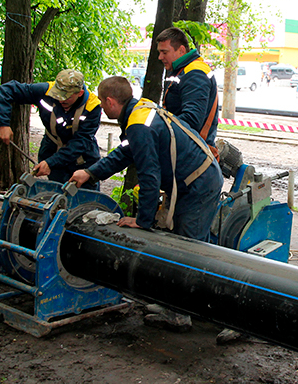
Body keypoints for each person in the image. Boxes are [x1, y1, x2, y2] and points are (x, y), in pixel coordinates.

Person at [70, 76, 223, 332]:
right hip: (194, 179)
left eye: (102, 104)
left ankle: (182, 314)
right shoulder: (140, 111)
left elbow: (149, 176)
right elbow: (125, 152)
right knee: (185, 242)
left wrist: (142, 221)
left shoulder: (138, 124)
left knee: (187, 248)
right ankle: (185, 304)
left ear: (110, 101)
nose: (102, 110)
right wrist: (91, 173)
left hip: (199, 183)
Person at [0, 69, 101, 184]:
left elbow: (81, 142)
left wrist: (51, 162)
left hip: (83, 159)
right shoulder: (45, 91)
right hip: (52, 150)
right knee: (57, 194)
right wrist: (3, 123)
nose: (61, 100)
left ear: (79, 93)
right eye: (58, 95)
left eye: (66, 97)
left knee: (87, 199)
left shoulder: (93, 106)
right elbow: (6, 90)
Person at [157, 27, 218, 149]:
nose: (160, 57)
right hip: (187, 149)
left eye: (165, 52)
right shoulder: (183, 71)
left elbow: (192, 119)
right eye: (159, 52)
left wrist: (157, 128)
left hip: (193, 154)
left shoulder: (195, 72)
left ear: (181, 50)